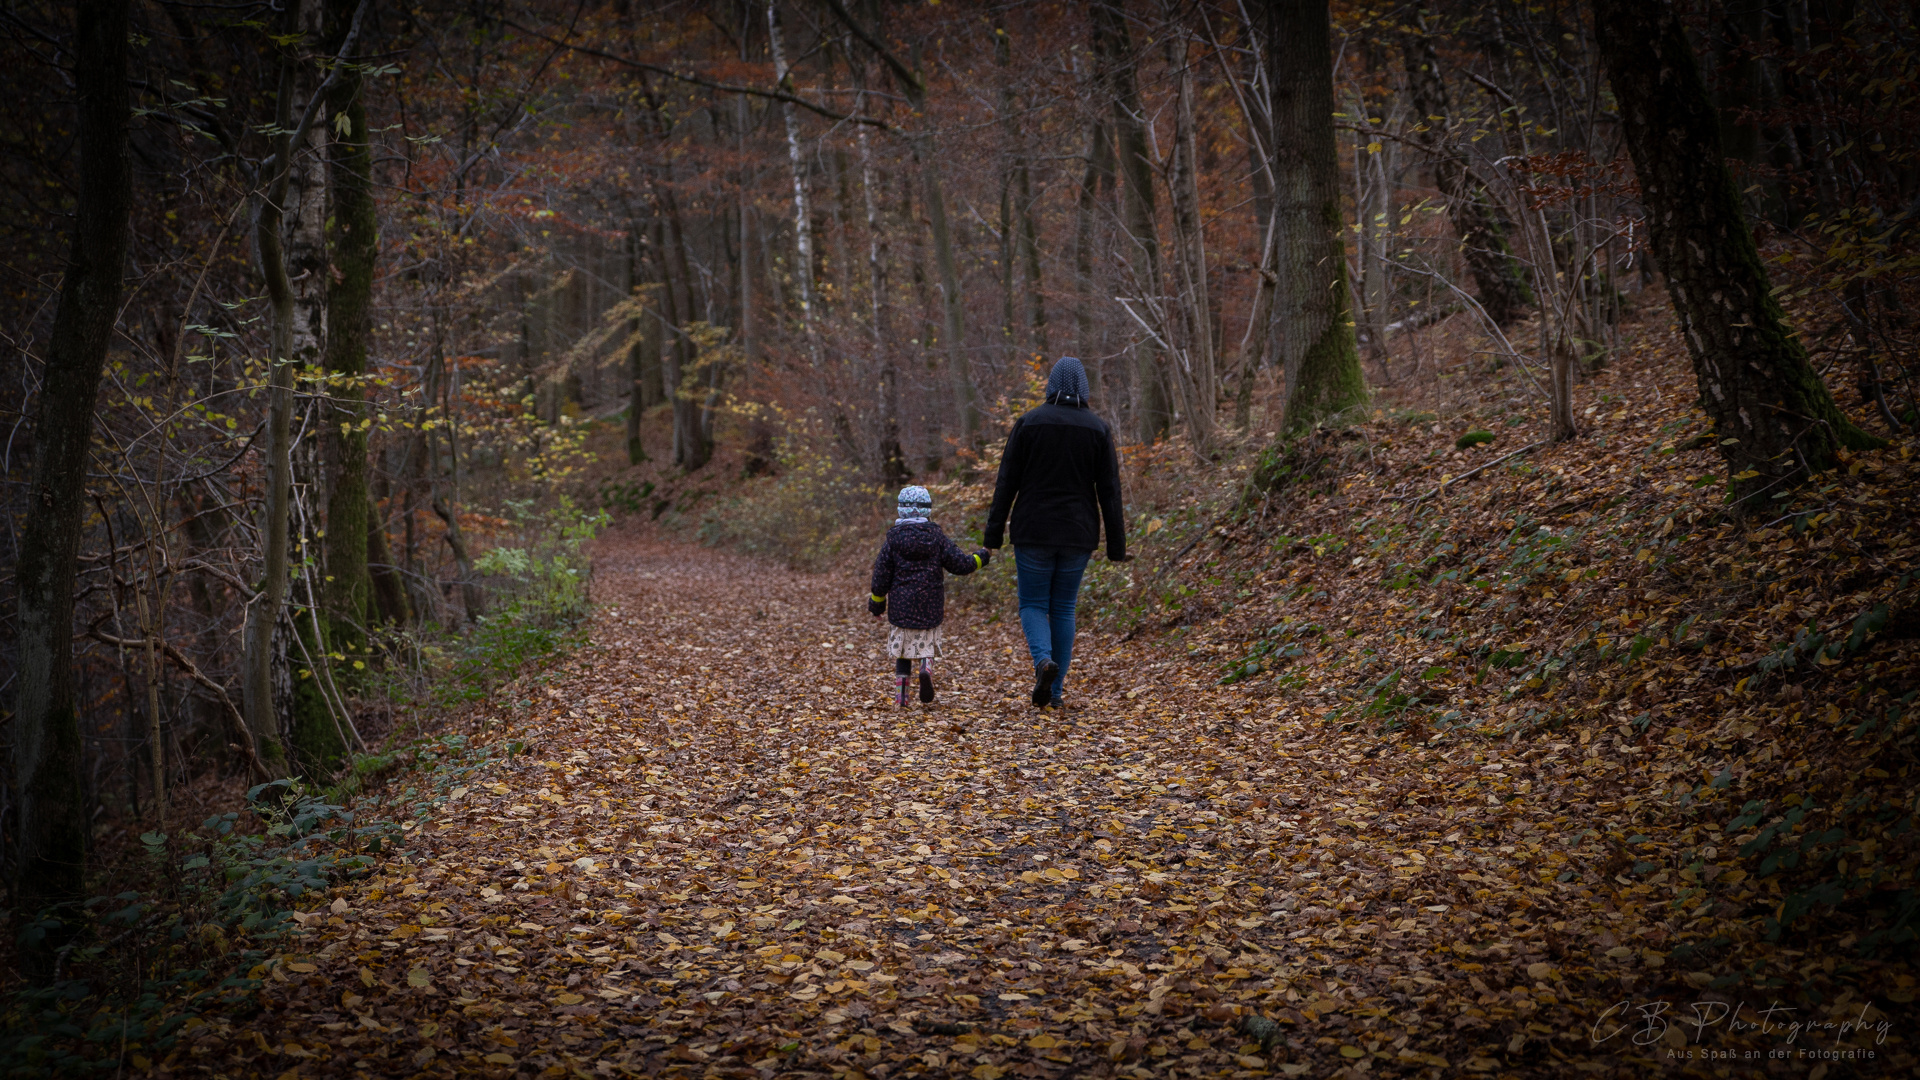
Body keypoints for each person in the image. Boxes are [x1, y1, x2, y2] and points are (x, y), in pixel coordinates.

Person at [984, 357, 1129, 708]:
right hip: (1078, 532)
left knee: (1033, 604)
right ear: (1084, 387)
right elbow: (1109, 490)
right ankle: (1056, 692)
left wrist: (992, 535)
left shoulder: (1029, 423)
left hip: (1033, 528)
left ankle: (1043, 662)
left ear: (1051, 386)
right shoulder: (1098, 429)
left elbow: (1007, 482)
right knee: (1063, 608)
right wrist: (1116, 545)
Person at [868, 485, 991, 705]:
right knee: (927, 646)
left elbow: (880, 577)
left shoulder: (892, 541)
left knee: (903, 653)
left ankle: (901, 699)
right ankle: (926, 668)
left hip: (901, 605)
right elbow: (960, 564)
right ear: (927, 509)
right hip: (930, 603)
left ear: (901, 509)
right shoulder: (937, 537)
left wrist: (877, 604)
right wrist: (981, 556)